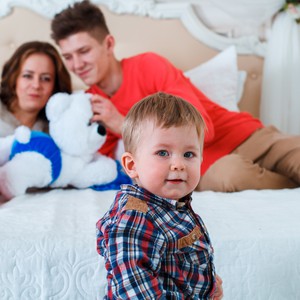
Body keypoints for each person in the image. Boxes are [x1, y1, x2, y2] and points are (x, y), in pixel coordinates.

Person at [51, 0, 300, 192]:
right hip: (209, 169)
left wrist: (121, 123)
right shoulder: (88, 108)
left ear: (108, 44)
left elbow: (203, 129)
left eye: (83, 51)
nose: (77, 64)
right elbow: (115, 168)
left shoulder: (148, 65)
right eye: (68, 57)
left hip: (244, 135)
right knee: (230, 175)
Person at [96, 92, 223, 299]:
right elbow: (135, 289)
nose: (179, 164)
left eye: (189, 154)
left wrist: (208, 284)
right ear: (132, 165)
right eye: (163, 153)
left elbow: (175, 261)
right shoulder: (134, 217)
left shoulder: (172, 206)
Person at [0, 41, 71, 137]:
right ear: (13, 78)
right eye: (27, 76)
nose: (36, 85)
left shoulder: (58, 130)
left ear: (55, 85)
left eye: (46, 78)